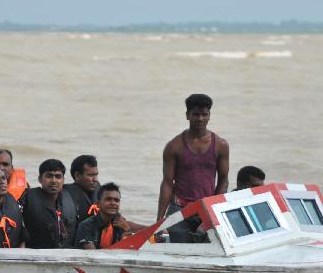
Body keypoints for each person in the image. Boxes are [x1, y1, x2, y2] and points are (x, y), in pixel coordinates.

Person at [157, 93, 229, 242]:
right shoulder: (174, 146)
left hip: (207, 210)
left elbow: (223, 181)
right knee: (180, 254)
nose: (200, 119)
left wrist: (214, 209)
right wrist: (159, 220)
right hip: (179, 211)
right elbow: (167, 183)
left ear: (209, 115)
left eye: (204, 114)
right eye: (196, 114)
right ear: (187, 115)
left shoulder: (221, 145)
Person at [23, 159, 77, 249]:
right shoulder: (26, 198)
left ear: (63, 180)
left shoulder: (71, 198)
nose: (54, 181)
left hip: (66, 254)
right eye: (49, 176)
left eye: (58, 176)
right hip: (36, 253)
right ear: (40, 179)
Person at [74, 183, 142, 250]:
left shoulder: (121, 224)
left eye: (116, 200)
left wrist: (127, 230)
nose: (113, 203)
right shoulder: (86, 226)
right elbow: (92, 255)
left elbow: (129, 252)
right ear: (98, 204)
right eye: (108, 199)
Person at [63, 154, 101, 224]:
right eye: (91, 175)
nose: (95, 179)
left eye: (96, 175)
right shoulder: (64, 195)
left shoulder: (100, 190)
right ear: (77, 175)